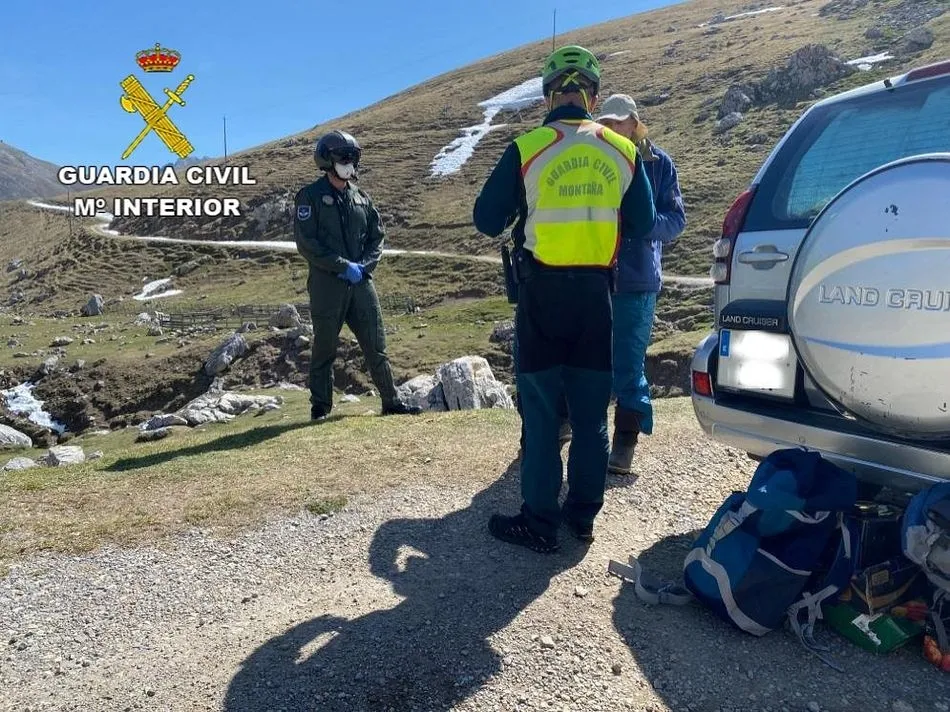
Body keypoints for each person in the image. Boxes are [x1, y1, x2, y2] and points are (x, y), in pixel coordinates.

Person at [473, 46, 656, 553]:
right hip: (597, 296)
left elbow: (486, 220)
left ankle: (538, 521)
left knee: (541, 411)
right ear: (593, 96)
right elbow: (642, 223)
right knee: (593, 413)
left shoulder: (528, 146)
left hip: (542, 294)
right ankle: (583, 518)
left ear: (548, 94)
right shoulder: (623, 151)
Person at [293, 130, 421, 421]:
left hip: (361, 283)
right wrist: (342, 266)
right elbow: (307, 244)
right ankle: (320, 409)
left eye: (353, 158)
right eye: (344, 158)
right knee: (325, 346)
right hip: (328, 286)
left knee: (376, 345)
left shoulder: (362, 197)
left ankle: (391, 402)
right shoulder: (309, 197)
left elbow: (378, 236)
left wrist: (365, 266)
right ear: (327, 161)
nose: (350, 164)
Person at [595, 94, 687, 475]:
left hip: (637, 280)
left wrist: (645, 225)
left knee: (629, 364)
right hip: (597, 275)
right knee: (591, 361)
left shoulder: (659, 163)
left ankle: (624, 445)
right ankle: (586, 435)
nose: (613, 128)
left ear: (635, 123)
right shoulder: (596, 160)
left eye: (620, 122)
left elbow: (676, 220)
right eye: (608, 122)